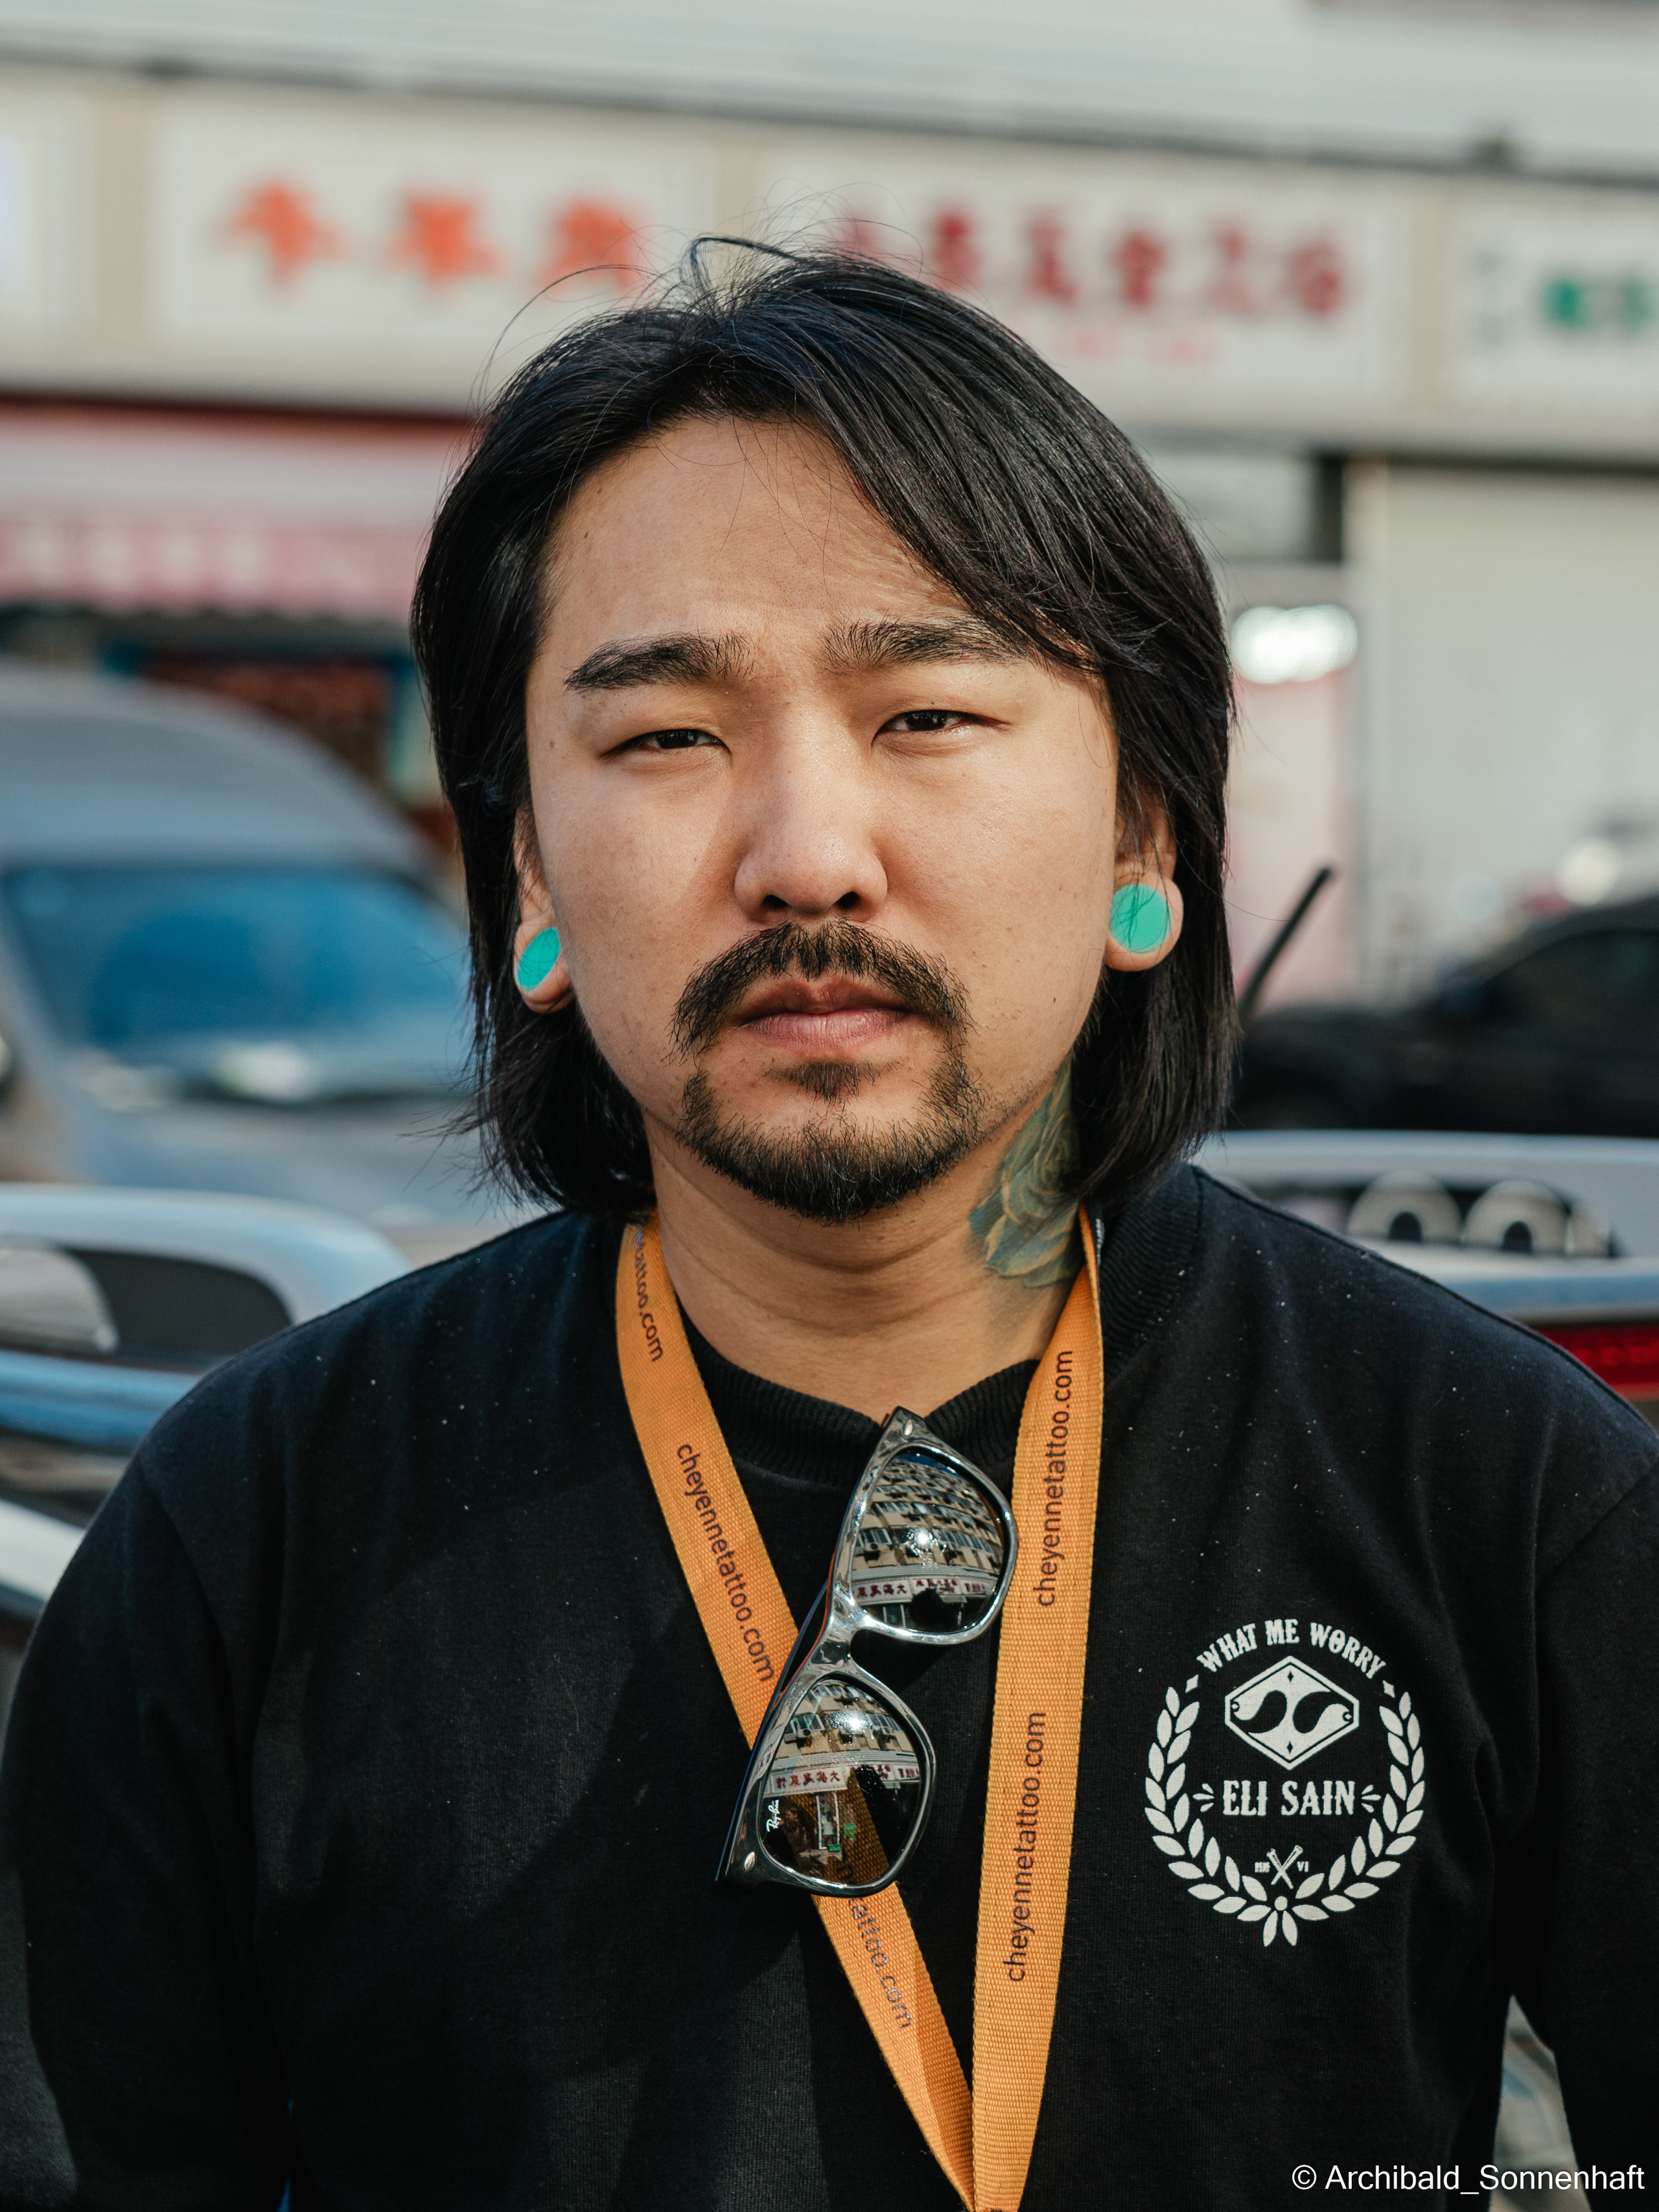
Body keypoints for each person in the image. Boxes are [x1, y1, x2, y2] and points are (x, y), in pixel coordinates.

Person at [0, 246, 1653, 2212]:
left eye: (928, 714)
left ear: (1148, 840)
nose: (803, 855)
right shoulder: (249, 1537)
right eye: (666, 738)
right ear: (525, 870)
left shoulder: (1495, 1490)